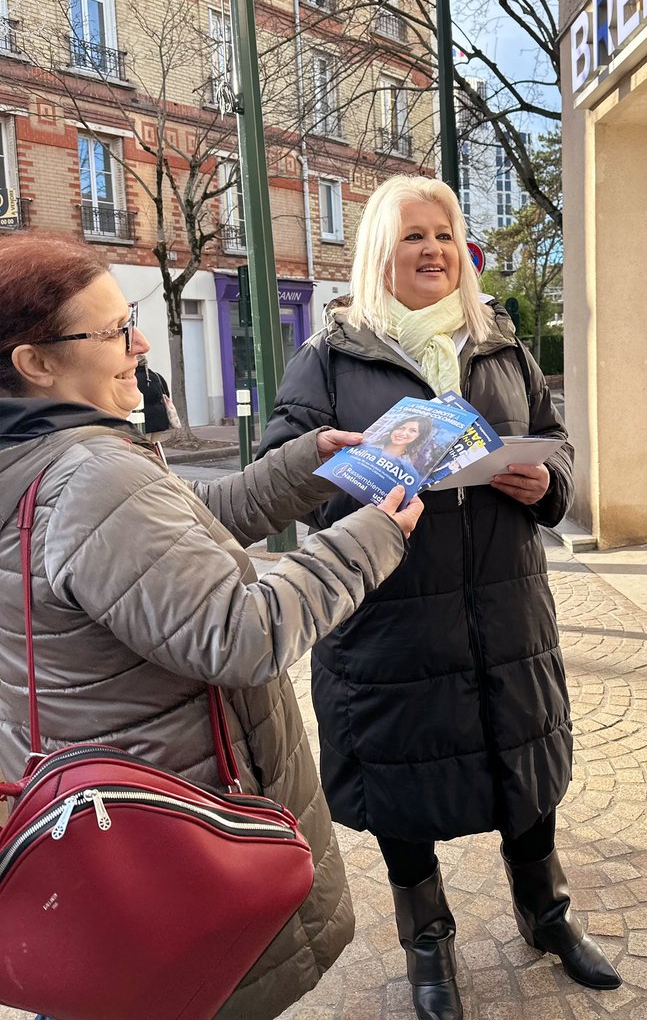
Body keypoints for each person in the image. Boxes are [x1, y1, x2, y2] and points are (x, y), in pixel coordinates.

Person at [0, 233, 423, 1020]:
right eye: (114, 331)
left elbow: (163, 552)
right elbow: (239, 632)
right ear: (36, 363)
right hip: (176, 831)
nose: (140, 344)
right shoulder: (90, 472)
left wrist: (303, 470)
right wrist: (374, 534)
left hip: (92, 823)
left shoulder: (35, 458)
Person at [256, 175, 621, 1020]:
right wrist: (358, 463)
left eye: (445, 234)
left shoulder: (498, 343)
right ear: (381, 250)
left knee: (525, 768)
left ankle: (549, 915)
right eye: (413, 235)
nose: (431, 250)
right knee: (401, 786)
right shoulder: (332, 355)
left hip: (505, 612)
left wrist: (545, 480)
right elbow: (288, 468)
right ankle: (430, 946)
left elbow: (555, 439)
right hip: (388, 617)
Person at [135, 352, 175, 440]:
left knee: (146, 446)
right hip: (160, 417)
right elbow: (166, 394)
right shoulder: (156, 376)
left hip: (143, 420)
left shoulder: (132, 379)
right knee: (155, 444)